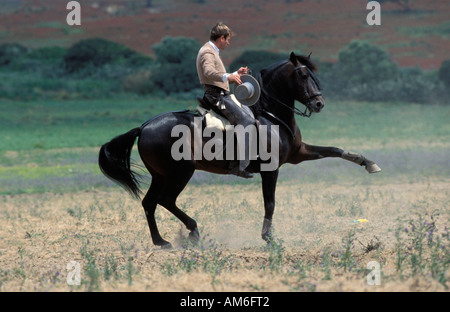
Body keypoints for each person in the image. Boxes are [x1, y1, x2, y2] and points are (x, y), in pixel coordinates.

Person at [196, 22, 255, 178]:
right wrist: (228, 76)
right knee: (247, 122)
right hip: (216, 97)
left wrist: (236, 73)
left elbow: (217, 78)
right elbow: (209, 72)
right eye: (227, 40)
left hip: (219, 93)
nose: (228, 43)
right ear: (221, 38)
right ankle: (238, 166)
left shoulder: (211, 51)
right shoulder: (207, 52)